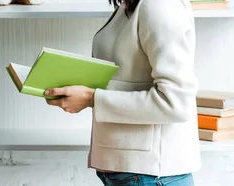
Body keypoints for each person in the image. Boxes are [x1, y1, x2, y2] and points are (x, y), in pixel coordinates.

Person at [43, 0, 200, 185]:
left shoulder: (159, 5)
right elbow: (128, 74)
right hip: (131, 173)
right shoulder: (131, 4)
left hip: (149, 176)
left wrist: (92, 98)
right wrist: (84, 91)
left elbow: (175, 103)